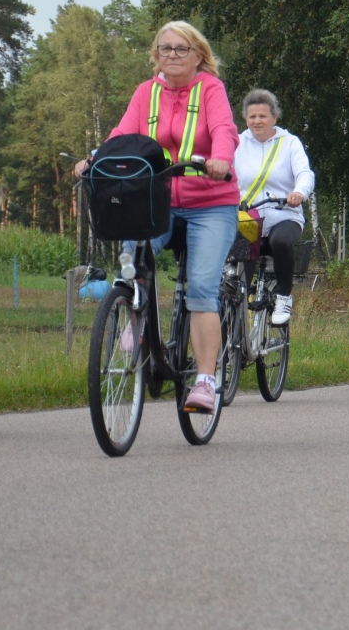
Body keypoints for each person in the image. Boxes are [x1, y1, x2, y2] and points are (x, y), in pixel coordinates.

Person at [75, 21, 239, 412]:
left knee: (200, 289)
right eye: (165, 49)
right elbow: (122, 135)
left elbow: (224, 131)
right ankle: (135, 315)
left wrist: (220, 161)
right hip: (157, 201)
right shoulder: (147, 93)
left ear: (199, 55)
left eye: (181, 49)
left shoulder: (211, 89)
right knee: (131, 264)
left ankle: (203, 381)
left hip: (210, 202)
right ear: (155, 55)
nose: (172, 56)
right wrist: (95, 160)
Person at [234, 89, 315, 326]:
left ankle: (283, 295)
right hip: (246, 218)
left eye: (262, 116)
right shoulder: (237, 143)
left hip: (283, 215)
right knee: (236, 277)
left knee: (281, 242)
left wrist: (299, 192)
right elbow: (224, 175)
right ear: (246, 120)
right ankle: (234, 316)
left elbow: (304, 173)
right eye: (252, 117)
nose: (257, 121)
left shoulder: (290, 143)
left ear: (274, 118)